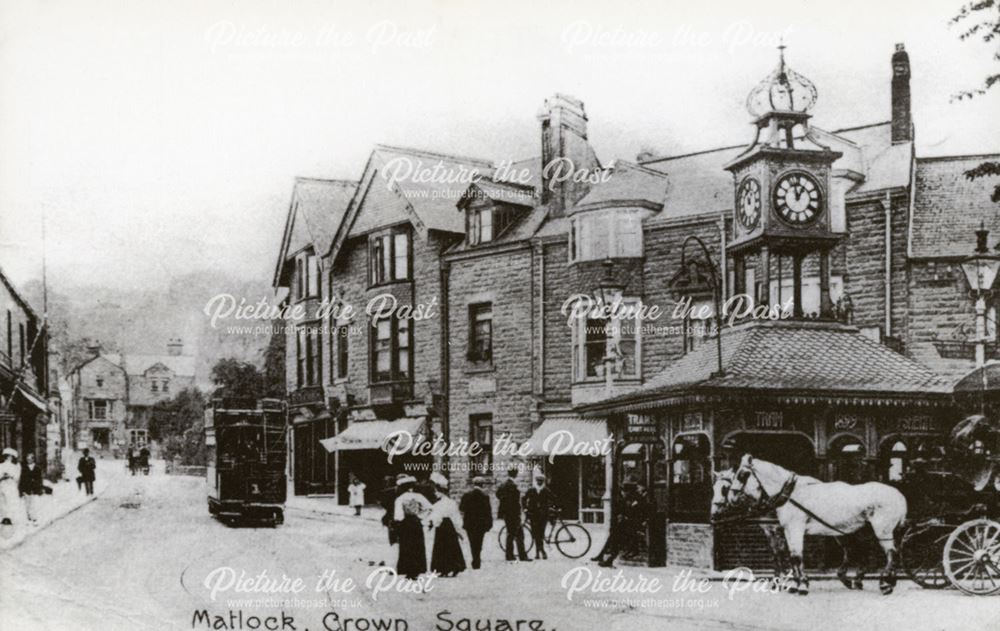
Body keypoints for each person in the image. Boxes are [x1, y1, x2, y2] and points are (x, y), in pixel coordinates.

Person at [393, 474, 432, 579]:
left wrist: (398, 522)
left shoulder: (400, 498)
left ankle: (408, 570)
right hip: (416, 522)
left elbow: (398, 515)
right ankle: (417, 570)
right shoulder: (419, 496)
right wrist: (421, 516)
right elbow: (429, 508)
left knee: (406, 546)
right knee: (417, 546)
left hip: (405, 523)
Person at [428, 472, 466, 577]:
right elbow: (456, 517)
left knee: (443, 548)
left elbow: (437, 517)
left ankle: (445, 568)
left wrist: (434, 524)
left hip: (443, 526)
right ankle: (450, 567)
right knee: (450, 547)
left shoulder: (441, 504)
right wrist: (458, 529)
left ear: (441, 492)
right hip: (448, 527)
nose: (435, 494)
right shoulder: (449, 503)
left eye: (437, 492)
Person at [496, 466, 530, 562]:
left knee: (512, 534)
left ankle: (511, 555)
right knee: (517, 535)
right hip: (513, 514)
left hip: (508, 514)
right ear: (515, 474)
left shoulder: (504, 484)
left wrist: (504, 504)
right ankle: (519, 556)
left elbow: (498, 494)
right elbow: (514, 501)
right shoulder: (512, 485)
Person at [459, 476, 493, 569]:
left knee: (472, 541)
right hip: (481, 523)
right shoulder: (485, 496)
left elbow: (461, 508)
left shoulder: (467, 495)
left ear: (473, 484)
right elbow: (488, 511)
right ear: (482, 485)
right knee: (479, 541)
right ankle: (477, 559)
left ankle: (475, 558)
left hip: (470, 523)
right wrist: (489, 523)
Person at [522, 473, 556, 560]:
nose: (540, 482)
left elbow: (553, 498)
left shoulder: (545, 490)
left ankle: (540, 552)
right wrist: (525, 508)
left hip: (543, 515)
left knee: (540, 533)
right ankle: (540, 552)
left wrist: (551, 507)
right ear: (536, 481)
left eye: (541, 481)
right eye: (538, 481)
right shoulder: (532, 490)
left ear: (543, 481)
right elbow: (524, 499)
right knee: (536, 533)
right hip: (533, 514)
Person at [0, 448, 25, 528]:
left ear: (12, 457)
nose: (8, 458)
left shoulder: (15, 467)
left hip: (11, 485)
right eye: (7, 456)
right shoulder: (1, 466)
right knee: (3, 502)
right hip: (3, 485)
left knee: (11, 501)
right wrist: (3, 476)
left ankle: (11, 518)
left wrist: (10, 476)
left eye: (10, 456)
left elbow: (17, 477)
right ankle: (5, 517)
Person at [19, 452, 44, 524]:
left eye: (30, 459)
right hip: (26, 489)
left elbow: (40, 479)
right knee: (27, 504)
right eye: (27, 459)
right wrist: (21, 490)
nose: (28, 460)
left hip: (34, 489)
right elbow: (22, 479)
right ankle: (28, 518)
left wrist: (40, 488)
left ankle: (34, 519)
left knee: (34, 504)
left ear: (33, 459)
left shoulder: (37, 468)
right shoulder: (24, 468)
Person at [379, 475, 399, 545]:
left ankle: (394, 542)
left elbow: (383, 503)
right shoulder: (389, 491)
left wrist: (390, 509)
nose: (386, 483)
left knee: (392, 529)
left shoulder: (387, 491)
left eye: (387, 481)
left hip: (391, 513)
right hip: (393, 512)